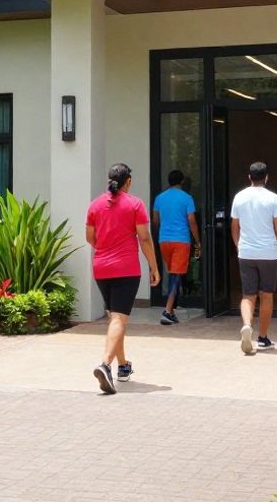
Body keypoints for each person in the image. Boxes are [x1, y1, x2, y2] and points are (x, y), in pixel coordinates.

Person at [86, 162, 160, 394]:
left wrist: (106, 249)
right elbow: (145, 239)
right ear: (128, 181)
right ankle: (105, 365)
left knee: (114, 318)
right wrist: (154, 267)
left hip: (101, 269)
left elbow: (90, 237)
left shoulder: (95, 205)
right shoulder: (135, 204)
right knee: (119, 318)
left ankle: (123, 366)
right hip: (126, 269)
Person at [230, 161, 277, 355]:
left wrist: (239, 245)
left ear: (249, 177)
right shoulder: (273, 199)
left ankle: (247, 325)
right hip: (268, 254)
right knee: (267, 295)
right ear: (266, 177)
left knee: (248, 295)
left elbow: (234, 226)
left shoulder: (239, 197)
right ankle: (263, 338)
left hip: (246, 252)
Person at [152, 169, 201, 325]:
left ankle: (171, 312)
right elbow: (192, 220)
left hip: (164, 240)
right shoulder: (187, 198)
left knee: (173, 273)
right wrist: (198, 241)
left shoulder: (160, 198)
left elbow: (155, 220)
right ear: (181, 182)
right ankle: (167, 311)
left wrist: (162, 230)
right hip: (181, 240)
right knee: (176, 276)